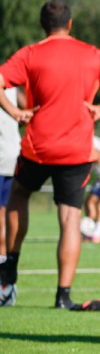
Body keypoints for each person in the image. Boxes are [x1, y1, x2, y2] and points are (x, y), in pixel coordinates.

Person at [0, 0, 100, 308]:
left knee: (19, 195)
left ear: (42, 25)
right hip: (77, 150)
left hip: (38, 146)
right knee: (70, 218)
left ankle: (9, 268)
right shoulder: (92, 55)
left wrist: (16, 111)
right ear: (70, 24)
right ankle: (63, 295)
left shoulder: (30, 54)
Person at [0, 87, 22, 266]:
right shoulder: (14, 90)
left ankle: (2, 257)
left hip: (2, 158)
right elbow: (28, 111)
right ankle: (5, 257)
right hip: (14, 156)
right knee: (7, 210)